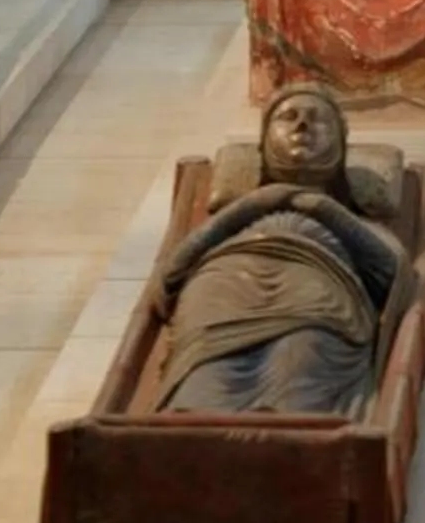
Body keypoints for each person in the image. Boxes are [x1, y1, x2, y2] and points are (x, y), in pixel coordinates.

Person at [150, 85, 411, 415]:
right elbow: (171, 273)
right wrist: (254, 204)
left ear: (342, 148)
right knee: (208, 375)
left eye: (317, 120)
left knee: (303, 357)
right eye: (288, 117)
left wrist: (325, 209)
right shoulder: (242, 213)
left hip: (316, 293)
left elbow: (395, 273)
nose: (302, 125)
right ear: (263, 144)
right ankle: (185, 440)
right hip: (223, 290)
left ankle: (296, 444)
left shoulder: (350, 219)